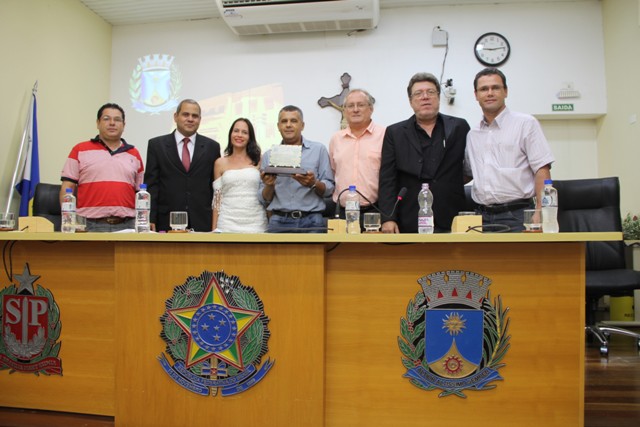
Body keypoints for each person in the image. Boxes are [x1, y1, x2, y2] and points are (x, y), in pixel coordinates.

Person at [464, 68, 555, 232]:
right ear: (476, 95)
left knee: (519, 259)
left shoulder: (526, 124)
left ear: (505, 91)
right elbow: (469, 173)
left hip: (518, 214)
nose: (490, 93)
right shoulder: (472, 134)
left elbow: (542, 169)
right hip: (480, 217)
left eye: (495, 87)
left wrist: (541, 212)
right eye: (484, 89)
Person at [378, 72, 470, 233]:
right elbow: (387, 179)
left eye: (431, 92)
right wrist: (388, 218)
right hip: (409, 217)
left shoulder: (459, 127)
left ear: (439, 97)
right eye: (418, 93)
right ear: (410, 101)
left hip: (453, 216)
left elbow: (471, 166)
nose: (425, 97)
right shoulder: (395, 133)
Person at [60, 103, 144, 232]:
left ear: (124, 125)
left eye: (117, 120)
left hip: (127, 225)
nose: (112, 123)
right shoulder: (80, 149)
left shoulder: (134, 153)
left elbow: (141, 193)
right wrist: (71, 221)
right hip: (88, 225)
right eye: (106, 119)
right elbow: (67, 188)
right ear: (98, 123)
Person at [144, 99, 221, 232]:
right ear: (176, 116)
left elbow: (215, 189)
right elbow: (152, 185)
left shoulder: (212, 147)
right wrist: (150, 218)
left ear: (200, 119)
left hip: (202, 221)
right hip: (166, 221)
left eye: (195, 116)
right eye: (186, 114)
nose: (190, 119)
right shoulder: (157, 145)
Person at [258, 105, 335, 233]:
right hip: (278, 221)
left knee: (314, 254)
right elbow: (264, 199)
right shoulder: (268, 155)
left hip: (312, 221)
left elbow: (329, 189)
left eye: (293, 121)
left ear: (302, 125)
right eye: (284, 121)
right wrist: (269, 185)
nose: (288, 125)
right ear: (278, 126)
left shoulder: (318, 150)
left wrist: (313, 183)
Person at [328, 89, 385, 223]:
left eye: (360, 105)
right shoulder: (336, 139)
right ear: (344, 111)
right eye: (350, 106)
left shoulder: (385, 135)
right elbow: (333, 172)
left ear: (371, 109)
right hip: (342, 212)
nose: (355, 110)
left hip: (375, 210)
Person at [212, 118, 267, 233]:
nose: (239, 135)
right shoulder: (220, 163)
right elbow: (217, 199)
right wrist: (214, 229)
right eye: (236, 131)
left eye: (244, 132)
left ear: (250, 137)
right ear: (230, 134)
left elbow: (266, 193)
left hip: (256, 223)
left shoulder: (260, 160)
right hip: (227, 223)